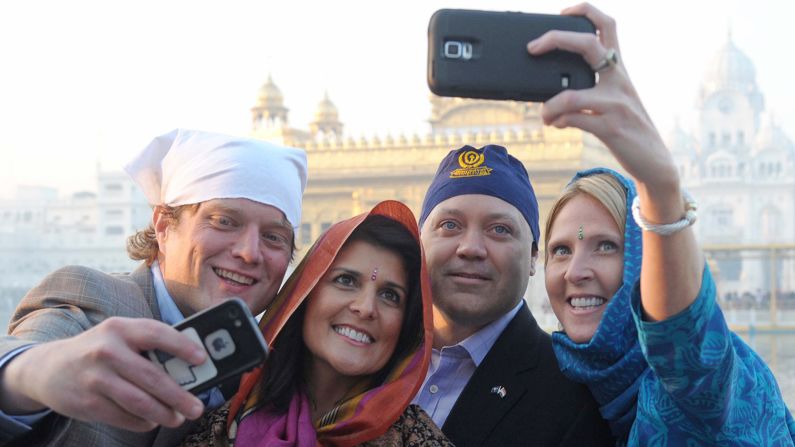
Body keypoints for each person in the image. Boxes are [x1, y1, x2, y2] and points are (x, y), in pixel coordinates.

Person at [536, 3, 795, 445]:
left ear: (642, 258)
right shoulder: (554, 383)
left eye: (606, 245)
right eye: (562, 249)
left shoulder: (698, 385)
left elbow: (685, 349)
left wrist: (659, 190)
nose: (576, 270)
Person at [0, 128, 307, 446]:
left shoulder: (271, 365)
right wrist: (32, 374)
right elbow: (29, 351)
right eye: (224, 221)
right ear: (163, 226)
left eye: (274, 236)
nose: (250, 252)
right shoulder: (93, 300)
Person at [181, 200, 451, 446]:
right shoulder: (226, 426)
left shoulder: (415, 439)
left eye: (390, 296)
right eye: (346, 281)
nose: (366, 308)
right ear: (304, 296)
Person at [413, 144, 614, 446]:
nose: (470, 248)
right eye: (449, 225)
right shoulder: (371, 357)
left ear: (534, 257)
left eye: (499, 230)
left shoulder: (573, 397)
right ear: (418, 241)